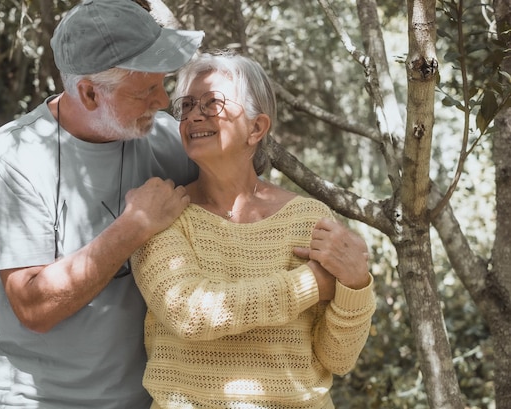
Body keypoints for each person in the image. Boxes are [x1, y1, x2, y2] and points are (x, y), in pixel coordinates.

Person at [0, 1, 204, 407]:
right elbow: (34, 307)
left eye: (162, 83)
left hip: (143, 394)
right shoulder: (12, 156)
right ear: (90, 93)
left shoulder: (167, 139)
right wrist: (135, 226)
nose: (162, 101)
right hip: (32, 396)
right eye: (146, 89)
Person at [130, 52, 376, 409]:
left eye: (212, 103)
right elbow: (189, 312)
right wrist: (309, 284)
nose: (194, 115)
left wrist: (356, 285)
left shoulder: (309, 219)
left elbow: (337, 359)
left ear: (257, 128)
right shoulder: (163, 215)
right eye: (187, 105)